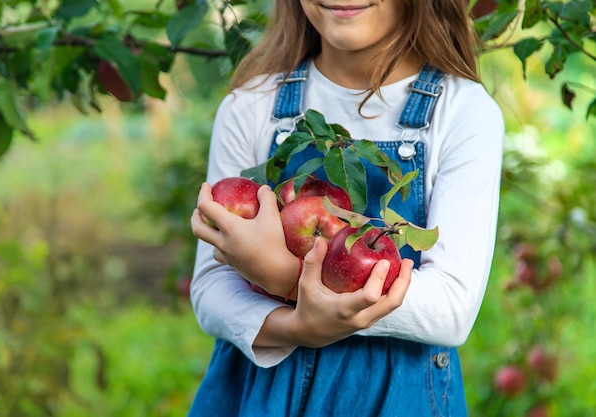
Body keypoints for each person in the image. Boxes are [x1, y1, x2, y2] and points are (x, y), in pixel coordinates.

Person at [188, 0, 504, 415]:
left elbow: (450, 308)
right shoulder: (252, 107)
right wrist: (299, 326)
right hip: (261, 393)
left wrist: (286, 277)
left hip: (393, 397)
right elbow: (211, 286)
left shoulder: (462, 112)